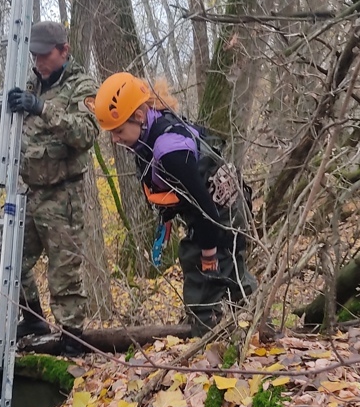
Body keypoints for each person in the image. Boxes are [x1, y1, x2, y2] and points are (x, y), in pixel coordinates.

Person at [0, 21, 99, 356]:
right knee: (12, 259)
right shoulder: (31, 82)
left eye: (45, 55)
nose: (39, 62)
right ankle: (32, 318)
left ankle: (74, 339)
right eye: (35, 56)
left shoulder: (81, 85)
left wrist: (42, 108)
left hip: (63, 194)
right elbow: (1, 114)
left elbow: (86, 134)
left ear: (64, 52)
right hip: (30, 191)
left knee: (64, 270)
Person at [93, 73, 256, 336]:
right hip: (215, 210)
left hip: (220, 215)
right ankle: (244, 327)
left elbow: (205, 208)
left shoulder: (170, 151)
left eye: (119, 131)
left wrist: (208, 253)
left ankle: (210, 336)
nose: (115, 140)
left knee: (208, 273)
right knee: (228, 273)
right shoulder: (153, 126)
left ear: (138, 115)